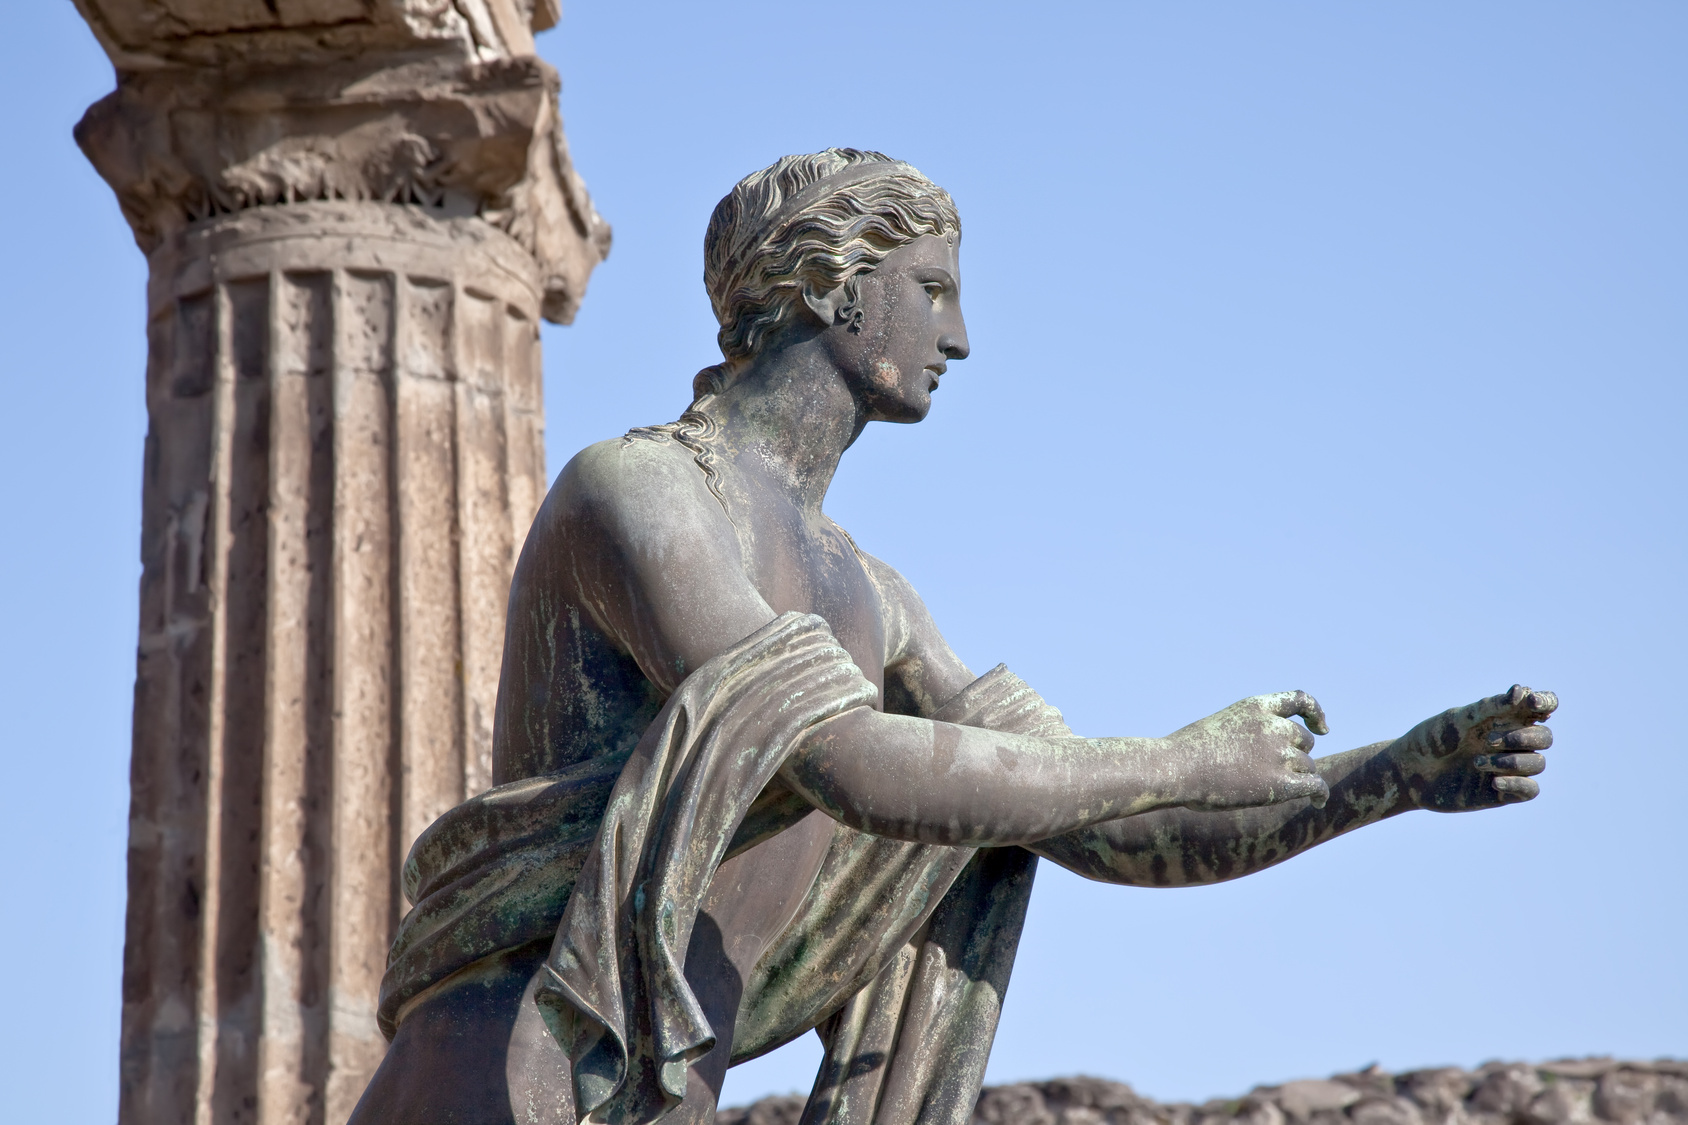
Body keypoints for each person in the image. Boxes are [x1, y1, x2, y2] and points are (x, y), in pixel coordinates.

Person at [349, 149, 1555, 1125]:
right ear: (834, 286)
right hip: (497, 1083)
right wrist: (1184, 756)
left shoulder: (875, 596)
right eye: (933, 290)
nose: (961, 336)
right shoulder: (642, 494)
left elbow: (1094, 821)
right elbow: (849, 764)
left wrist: (1386, 777)